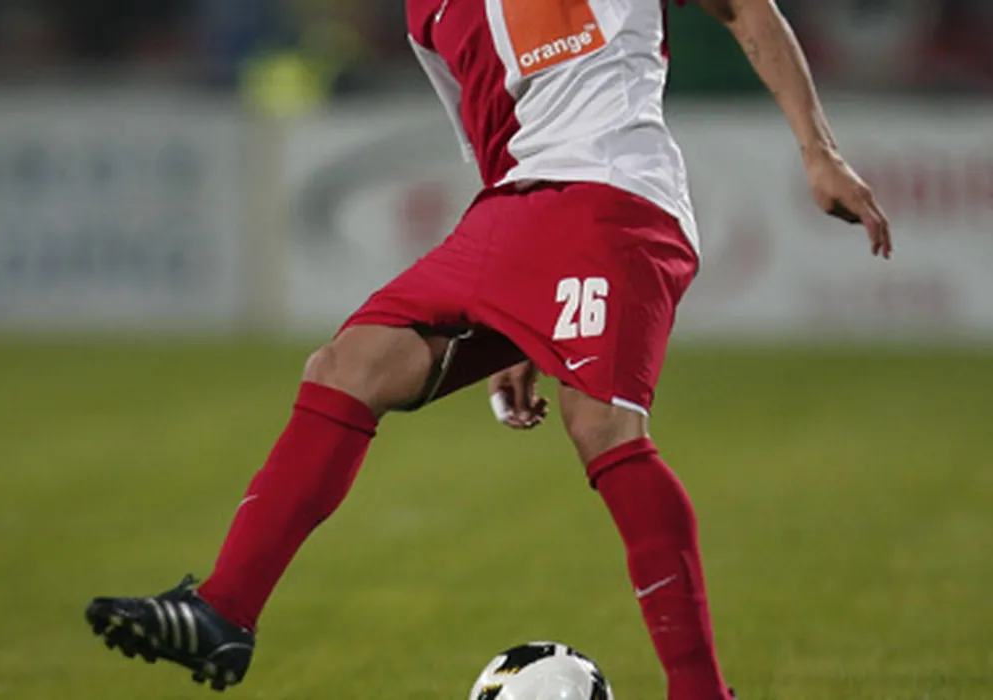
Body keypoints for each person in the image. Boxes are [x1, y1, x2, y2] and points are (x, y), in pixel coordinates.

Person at [85, 0, 892, 698]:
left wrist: (818, 150)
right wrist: (516, 327)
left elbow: (746, 9)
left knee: (602, 427)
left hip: (614, 195)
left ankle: (701, 693)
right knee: (347, 368)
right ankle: (223, 611)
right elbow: (489, 137)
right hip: (510, 207)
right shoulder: (427, 9)